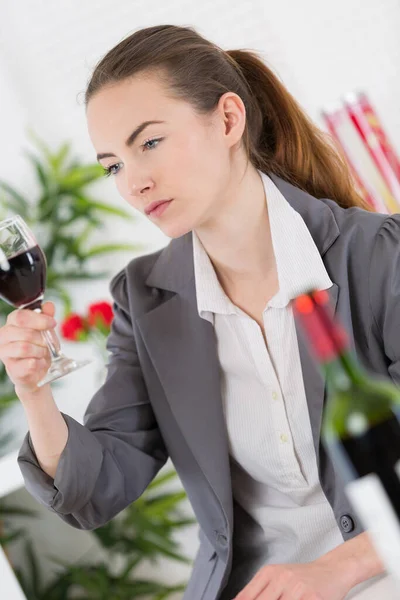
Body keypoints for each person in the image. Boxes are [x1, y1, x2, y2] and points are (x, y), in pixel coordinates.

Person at [2, 23, 399, 600]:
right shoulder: (145, 298)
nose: (134, 182)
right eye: (112, 165)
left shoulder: (377, 256)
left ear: (229, 120)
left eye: (150, 143)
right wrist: (33, 390)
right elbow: (99, 487)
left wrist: (337, 570)